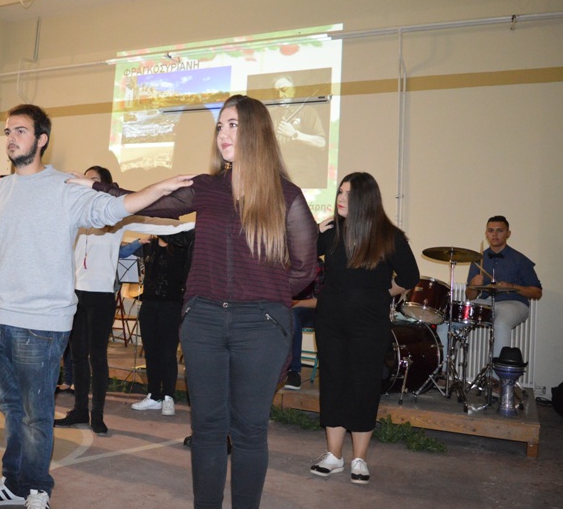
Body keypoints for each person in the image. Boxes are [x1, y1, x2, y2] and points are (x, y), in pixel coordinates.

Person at [0, 104, 193, 509]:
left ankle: (37, 487)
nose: (11, 138)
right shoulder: (2, 189)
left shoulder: (66, 187)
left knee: (36, 412)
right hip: (0, 316)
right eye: (8, 131)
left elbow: (117, 207)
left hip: (43, 322)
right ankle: (14, 483)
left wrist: (159, 188)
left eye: (20, 131)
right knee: (12, 409)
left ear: (41, 139)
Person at [80, 94, 318, 508]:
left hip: (260, 326)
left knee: (249, 431)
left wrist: (265, 294)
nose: (223, 134)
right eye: (220, 126)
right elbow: (154, 203)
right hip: (204, 320)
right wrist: (96, 187)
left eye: (234, 125)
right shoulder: (208, 188)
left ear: (257, 132)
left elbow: (305, 268)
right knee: (207, 428)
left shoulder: (287, 195)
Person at [54, 165, 194, 436]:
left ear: (105, 186)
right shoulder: (75, 213)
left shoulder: (116, 215)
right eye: (84, 179)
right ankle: (80, 409)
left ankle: (97, 415)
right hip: (75, 294)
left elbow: (151, 220)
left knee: (97, 356)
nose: (86, 183)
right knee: (77, 357)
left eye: (93, 181)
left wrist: (193, 223)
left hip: (102, 296)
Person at [310, 172, 419, 485]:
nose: (341, 199)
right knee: (333, 383)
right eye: (340, 192)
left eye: (349, 194)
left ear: (365, 200)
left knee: (363, 385)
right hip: (330, 321)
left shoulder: (389, 236)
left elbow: (410, 276)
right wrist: (314, 232)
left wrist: (381, 293)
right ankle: (334, 455)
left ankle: (359, 458)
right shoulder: (331, 232)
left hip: (369, 325)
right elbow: (299, 257)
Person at [130, 230, 193, 416]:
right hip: (149, 304)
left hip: (171, 305)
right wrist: (138, 242)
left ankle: (168, 396)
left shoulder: (181, 248)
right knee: (151, 351)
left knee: (167, 351)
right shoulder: (149, 246)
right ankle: (154, 395)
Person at [465, 215, 542, 358]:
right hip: (486, 303)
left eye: (499, 230)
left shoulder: (520, 260)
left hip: (514, 303)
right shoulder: (478, 259)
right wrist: (472, 285)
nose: (494, 234)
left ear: (508, 234)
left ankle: (498, 372)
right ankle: (443, 369)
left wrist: (512, 286)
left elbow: (537, 293)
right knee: (450, 321)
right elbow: (470, 296)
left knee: (500, 324)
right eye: (491, 231)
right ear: (486, 233)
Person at [267, 74, 327, 189]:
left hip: (300, 173)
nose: (280, 95)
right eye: (276, 91)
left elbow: (321, 143)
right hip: (274, 173)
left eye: (284, 89)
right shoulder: (270, 115)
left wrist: (295, 134)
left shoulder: (307, 111)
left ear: (293, 91)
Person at [285, 258, 325, 390]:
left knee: (292, 315)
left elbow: (321, 301)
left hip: (311, 311)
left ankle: (294, 370)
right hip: (286, 309)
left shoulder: (316, 264)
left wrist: (296, 303)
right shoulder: (282, 261)